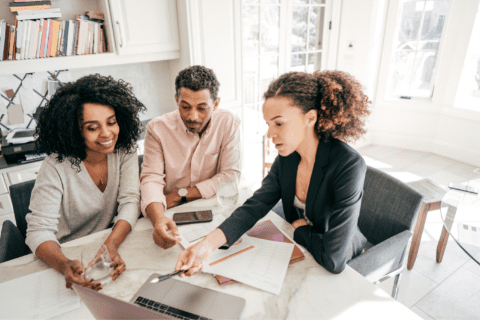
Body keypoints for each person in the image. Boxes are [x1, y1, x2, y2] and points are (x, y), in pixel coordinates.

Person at [174, 70, 371, 276]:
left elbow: (334, 259)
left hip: (344, 263)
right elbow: (255, 205)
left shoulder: (348, 165)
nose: (270, 134)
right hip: (305, 250)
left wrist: (300, 229)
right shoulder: (288, 157)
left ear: (310, 118)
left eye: (279, 123)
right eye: (268, 124)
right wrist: (205, 247)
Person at [25, 74, 145, 291]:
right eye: (92, 127)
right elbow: (38, 231)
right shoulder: (56, 165)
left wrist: (111, 244)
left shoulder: (125, 150)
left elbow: (130, 201)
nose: (107, 133)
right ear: (74, 130)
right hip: (64, 253)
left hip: (107, 243)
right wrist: (64, 265)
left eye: (111, 122)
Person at [140, 65, 241, 249]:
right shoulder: (157, 129)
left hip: (212, 209)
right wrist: (158, 220)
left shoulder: (228, 122)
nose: (192, 116)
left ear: (216, 104)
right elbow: (151, 180)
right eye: (185, 107)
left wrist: (181, 195)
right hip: (170, 214)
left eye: (202, 108)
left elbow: (230, 177)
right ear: (176, 99)